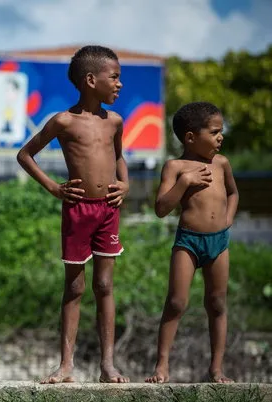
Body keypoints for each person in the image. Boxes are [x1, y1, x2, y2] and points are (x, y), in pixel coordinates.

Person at [17, 45, 129, 383]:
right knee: (76, 286)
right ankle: (66, 365)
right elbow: (25, 155)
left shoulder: (115, 121)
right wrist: (54, 188)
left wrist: (125, 184)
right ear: (91, 80)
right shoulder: (63, 121)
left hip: (108, 209)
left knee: (105, 284)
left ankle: (108, 365)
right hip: (77, 209)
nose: (119, 84)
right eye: (115, 77)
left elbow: (120, 157)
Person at [146, 102, 238, 384]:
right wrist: (184, 182)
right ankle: (162, 366)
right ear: (190, 137)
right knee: (176, 302)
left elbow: (233, 194)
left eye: (220, 131)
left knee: (216, 303)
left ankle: (216, 369)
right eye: (214, 132)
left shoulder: (221, 164)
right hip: (188, 242)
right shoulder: (175, 167)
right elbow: (161, 208)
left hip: (218, 243)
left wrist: (228, 220)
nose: (220, 137)